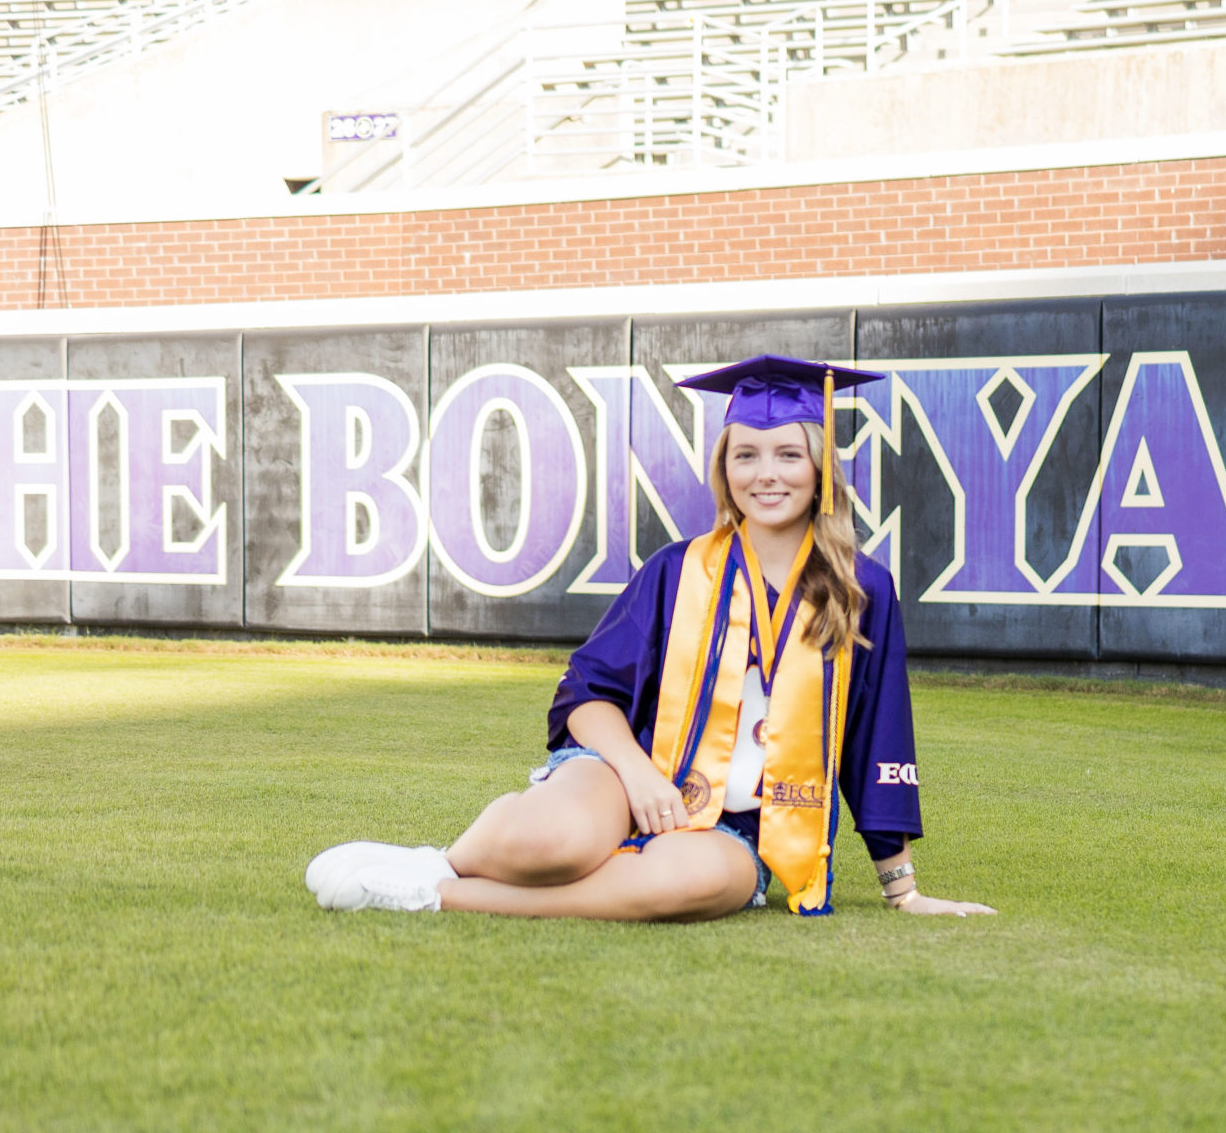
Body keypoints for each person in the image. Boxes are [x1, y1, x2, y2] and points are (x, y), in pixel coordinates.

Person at [305, 354, 993, 923]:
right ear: (725, 467)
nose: (767, 473)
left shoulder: (858, 589)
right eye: (746, 454)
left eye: (789, 453)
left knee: (692, 885)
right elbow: (585, 693)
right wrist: (640, 777)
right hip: (619, 774)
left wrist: (904, 890)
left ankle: (435, 894)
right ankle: (439, 860)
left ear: (820, 469)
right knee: (562, 839)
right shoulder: (677, 571)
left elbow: (878, 738)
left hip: (741, 828)